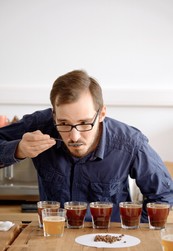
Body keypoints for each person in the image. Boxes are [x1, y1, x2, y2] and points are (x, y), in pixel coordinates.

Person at [0, 70, 173, 222]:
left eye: (84, 123)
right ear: (54, 116)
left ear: (101, 113)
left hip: (109, 240)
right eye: (64, 123)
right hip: (55, 237)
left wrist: (132, 227)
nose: (74, 136)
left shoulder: (130, 142)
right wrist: (18, 149)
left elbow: (164, 197)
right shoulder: (39, 124)